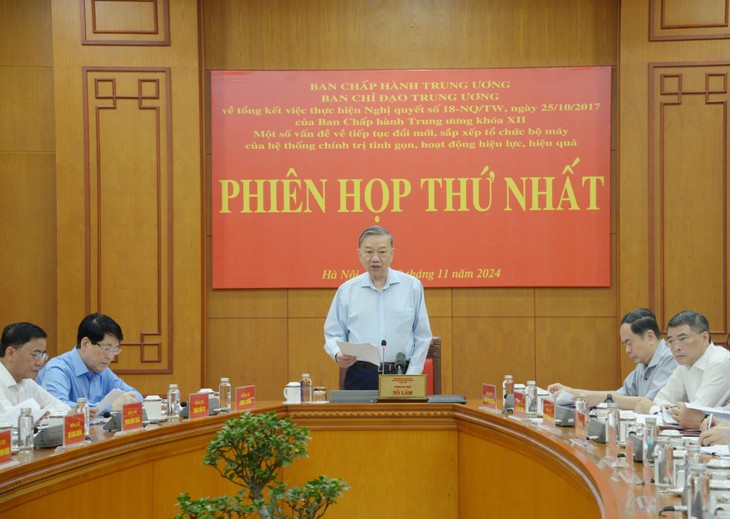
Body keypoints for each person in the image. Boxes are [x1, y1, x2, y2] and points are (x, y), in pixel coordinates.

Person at [323, 226, 432, 390]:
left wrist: (412, 375)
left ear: (392, 253)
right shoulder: (347, 291)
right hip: (360, 376)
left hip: (401, 374)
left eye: (382, 252)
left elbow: (422, 336)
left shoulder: (412, 287)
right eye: (369, 252)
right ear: (359, 254)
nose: (375, 258)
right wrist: (337, 353)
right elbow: (333, 332)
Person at [547, 308, 677, 409]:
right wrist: (571, 392)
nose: (627, 350)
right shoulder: (643, 363)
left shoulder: (671, 358)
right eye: (625, 344)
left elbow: (648, 404)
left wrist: (600, 398)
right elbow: (621, 395)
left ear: (650, 337)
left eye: (629, 343)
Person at [634, 310, 730, 428]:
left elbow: (694, 416)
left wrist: (653, 409)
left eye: (683, 339)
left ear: (705, 337)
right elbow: (661, 398)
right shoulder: (685, 363)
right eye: (671, 341)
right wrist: (670, 409)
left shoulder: (719, 362)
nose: (676, 348)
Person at [37, 313, 142, 417]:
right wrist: (108, 406)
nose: (110, 356)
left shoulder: (102, 370)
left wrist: (128, 400)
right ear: (85, 344)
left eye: (115, 350)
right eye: (107, 348)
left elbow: (136, 395)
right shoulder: (58, 369)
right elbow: (57, 408)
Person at [0, 322, 70, 414]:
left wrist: (45, 413)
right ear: (10, 353)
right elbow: (8, 418)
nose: (40, 362)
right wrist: (38, 412)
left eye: (42, 355)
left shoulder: (27, 382)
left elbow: (64, 408)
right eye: (35, 354)